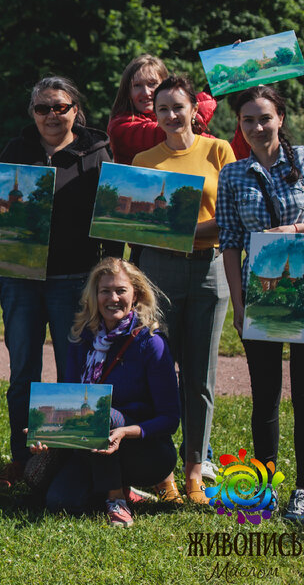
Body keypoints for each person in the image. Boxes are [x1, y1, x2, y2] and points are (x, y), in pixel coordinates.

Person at [0, 76, 122, 487]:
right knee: (23, 372)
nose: (52, 115)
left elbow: (111, 218)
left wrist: (111, 270)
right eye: (43, 108)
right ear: (32, 113)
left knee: (75, 373)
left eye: (60, 107)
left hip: (74, 279)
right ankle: (21, 459)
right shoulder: (16, 152)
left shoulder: (97, 151)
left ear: (75, 110)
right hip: (21, 279)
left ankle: (71, 460)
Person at [132, 76, 234, 504]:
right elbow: (135, 223)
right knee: (156, 371)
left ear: (195, 109)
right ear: (153, 115)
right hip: (158, 274)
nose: (171, 116)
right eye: (162, 109)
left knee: (200, 375)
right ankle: (161, 473)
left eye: (178, 107)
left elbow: (231, 215)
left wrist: (184, 231)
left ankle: (195, 470)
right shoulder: (143, 158)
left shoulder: (218, 150)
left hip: (210, 270)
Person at [32, 258, 179, 527]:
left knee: (102, 416)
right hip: (92, 445)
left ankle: (116, 500)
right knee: (61, 502)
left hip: (146, 451)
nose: (113, 298)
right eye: (105, 291)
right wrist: (47, 433)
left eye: (121, 290)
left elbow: (170, 419)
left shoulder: (151, 343)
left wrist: (124, 431)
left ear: (136, 295)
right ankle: (121, 489)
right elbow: (72, 403)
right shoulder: (81, 338)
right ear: (94, 296)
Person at [216, 85, 304, 523]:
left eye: (264, 118)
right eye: (247, 120)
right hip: (261, 295)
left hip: (303, 293)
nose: (256, 127)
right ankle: (265, 488)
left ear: (280, 118)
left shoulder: (303, 160)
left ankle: (303, 490)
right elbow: (230, 244)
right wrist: (238, 302)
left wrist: (296, 229)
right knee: (265, 395)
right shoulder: (233, 174)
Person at [107, 54, 217, 166]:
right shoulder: (120, 127)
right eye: (137, 85)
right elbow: (169, 133)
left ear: (165, 88)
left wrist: (234, 58)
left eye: (152, 84)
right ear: (128, 91)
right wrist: (210, 94)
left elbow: (215, 147)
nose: (146, 92)